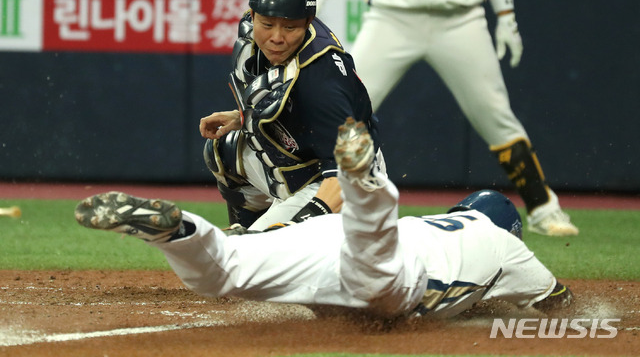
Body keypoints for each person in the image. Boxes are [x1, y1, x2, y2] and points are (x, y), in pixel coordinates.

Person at [75, 118, 573, 320]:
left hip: (324, 238)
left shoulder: (439, 223)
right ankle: (362, 180)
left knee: (223, 269)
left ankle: (178, 231)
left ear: (460, 212)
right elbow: (560, 305)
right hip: (398, 275)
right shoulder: (507, 245)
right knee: (373, 252)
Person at [313, 0, 579, 237]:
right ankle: (309, 200)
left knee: (495, 113)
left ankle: (543, 207)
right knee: (343, 110)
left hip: (462, 20)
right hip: (391, 18)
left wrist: (506, 15)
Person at [199, 0, 385, 232]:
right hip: (306, 167)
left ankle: (260, 244)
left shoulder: (322, 83)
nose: (276, 36)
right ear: (253, 16)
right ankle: (250, 232)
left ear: (308, 21)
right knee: (226, 149)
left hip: (352, 186)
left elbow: (349, 175)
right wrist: (240, 117)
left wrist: (298, 226)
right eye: (267, 24)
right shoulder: (255, 35)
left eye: (289, 27)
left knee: (254, 255)